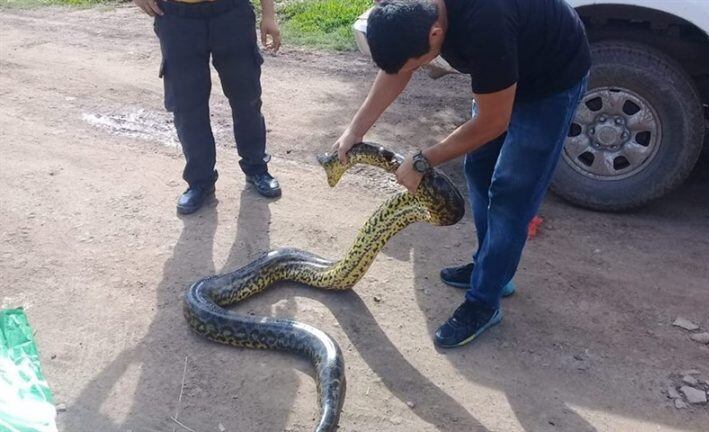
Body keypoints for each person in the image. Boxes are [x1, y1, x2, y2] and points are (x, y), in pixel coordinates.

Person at [333, 0, 590, 348]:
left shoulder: (486, 23)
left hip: (549, 80)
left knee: (511, 193)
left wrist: (424, 159)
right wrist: (354, 131)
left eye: (420, 63)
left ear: (436, 33)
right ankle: (491, 269)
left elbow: (492, 121)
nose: (418, 68)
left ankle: (484, 303)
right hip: (502, 69)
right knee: (479, 170)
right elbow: (398, 69)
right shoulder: (416, 12)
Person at [134, 0, 283, 215]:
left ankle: (256, 168)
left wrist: (269, 13)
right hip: (177, 17)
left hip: (232, 13)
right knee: (187, 105)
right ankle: (200, 181)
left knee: (246, 97)